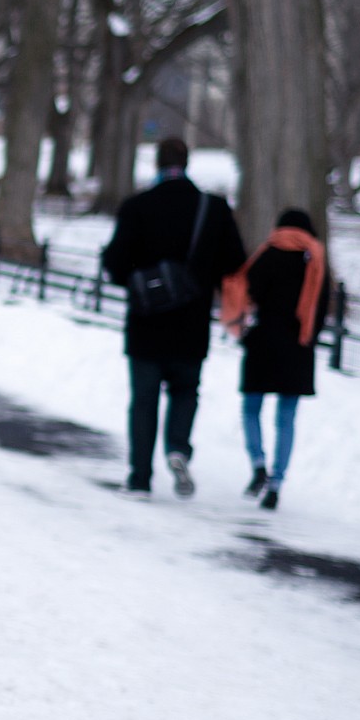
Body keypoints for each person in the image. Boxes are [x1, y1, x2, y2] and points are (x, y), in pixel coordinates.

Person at [99, 137, 246, 495]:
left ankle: (140, 476)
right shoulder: (212, 209)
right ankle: (178, 447)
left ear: (157, 165)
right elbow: (234, 263)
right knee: (185, 391)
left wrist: (142, 279)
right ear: (187, 163)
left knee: (144, 401)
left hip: (146, 324)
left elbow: (115, 265)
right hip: (191, 325)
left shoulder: (137, 207)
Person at [223, 208, 331, 511]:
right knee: (286, 418)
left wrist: (244, 330)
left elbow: (245, 290)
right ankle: (277, 482)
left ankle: (258, 463)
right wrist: (308, 336)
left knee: (251, 409)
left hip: (262, 342)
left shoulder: (266, 253)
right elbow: (321, 306)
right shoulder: (316, 259)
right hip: (298, 346)